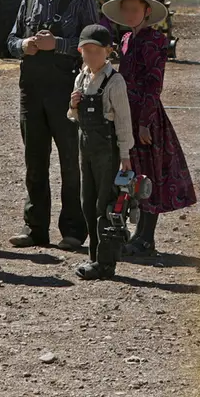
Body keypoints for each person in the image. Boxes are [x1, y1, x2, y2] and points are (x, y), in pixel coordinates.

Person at [6, 0, 100, 251]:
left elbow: (94, 43)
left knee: (71, 163)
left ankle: (73, 231)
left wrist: (56, 44)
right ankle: (36, 230)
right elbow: (10, 40)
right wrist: (25, 45)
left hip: (68, 91)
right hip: (31, 91)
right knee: (34, 161)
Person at [101, 0, 198, 256]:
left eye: (135, 9)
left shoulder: (154, 40)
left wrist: (144, 121)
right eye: (126, 9)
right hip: (126, 114)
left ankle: (146, 238)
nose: (130, 13)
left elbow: (154, 84)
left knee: (148, 176)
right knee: (131, 176)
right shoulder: (127, 40)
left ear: (146, 11)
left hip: (146, 117)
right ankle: (137, 234)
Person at [67, 24, 134, 280]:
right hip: (86, 147)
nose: (91, 56)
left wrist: (125, 155)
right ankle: (94, 256)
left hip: (108, 151)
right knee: (87, 203)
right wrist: (73, 105)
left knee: (105, 206)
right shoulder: (81, 77)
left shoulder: (115, 82)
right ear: (80, 51)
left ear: (108, 51)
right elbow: (72, 116)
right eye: (87, 51)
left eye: (97, 51)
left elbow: (124, 121)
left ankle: (106, 263)